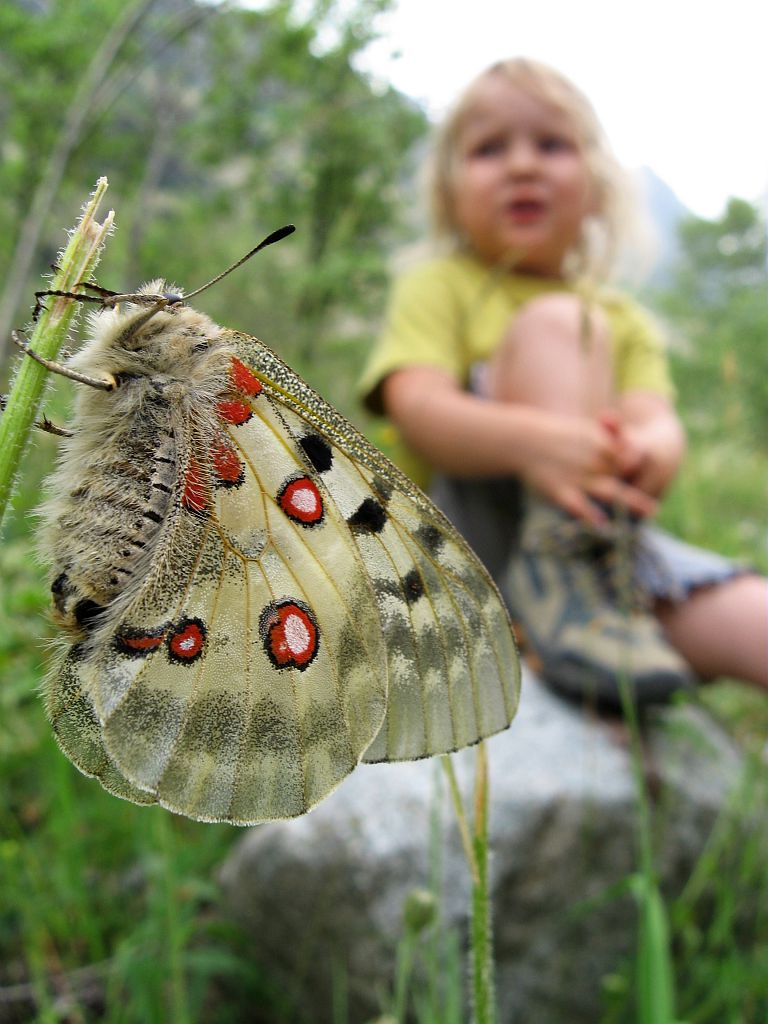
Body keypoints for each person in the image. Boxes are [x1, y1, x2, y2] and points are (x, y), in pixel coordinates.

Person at [359, 57, 768, 709]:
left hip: (611, 553)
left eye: (552, 144)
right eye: (490, 149)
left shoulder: (624, 318)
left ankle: (581, 595)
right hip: (466, 545)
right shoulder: (440, 285)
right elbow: (416, 406)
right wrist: (535, 443)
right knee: (559, 323)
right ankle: (552, 593)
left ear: (598, 188)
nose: (523, 165)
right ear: (450, 191)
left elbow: (654, 418)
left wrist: (650, 451)